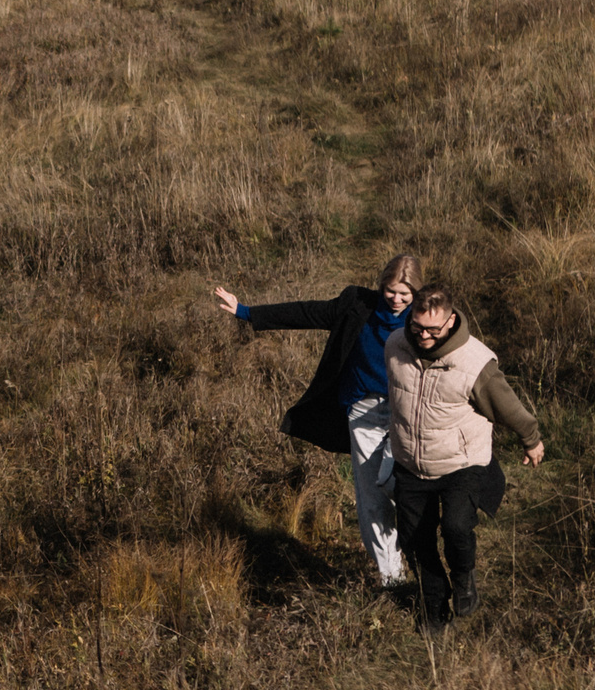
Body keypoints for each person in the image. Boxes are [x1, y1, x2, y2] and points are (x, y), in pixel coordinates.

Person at [211, 254, 422, 587]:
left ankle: (420, 555)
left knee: (400, 486)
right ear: (381, 286)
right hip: (364, 413)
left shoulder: (424, 318)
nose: (396, 299)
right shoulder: (357, 305)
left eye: (404, 294)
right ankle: (392, 579)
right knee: (372, 497)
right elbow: (308, 312)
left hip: (407, 414)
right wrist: (247, 312)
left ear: (416, 293)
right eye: (390, 291)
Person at [384, 283, 545, 623]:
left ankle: (463, 576)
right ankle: (434, 607)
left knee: (456, 528)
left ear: (451, 321)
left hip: (461, 462)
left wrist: (531, 439)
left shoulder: (474, 362)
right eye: (417, 326)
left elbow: (507, 405)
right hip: (410, 462)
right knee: (415, 540)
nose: (423, 335)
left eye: (432, 329)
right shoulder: (395, 344)